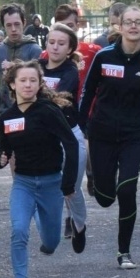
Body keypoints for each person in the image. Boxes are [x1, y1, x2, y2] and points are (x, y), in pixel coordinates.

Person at [77, 5, 140, 270]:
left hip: (132, 136)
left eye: (139, 22)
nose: (134, 26)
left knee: (127, 189)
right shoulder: (104, 57)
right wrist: (80, 126)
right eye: (129, 22)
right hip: (101, 133)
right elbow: (87, 93)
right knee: (105, 198)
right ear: (120, 26)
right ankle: (97, 182)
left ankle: (124, 251)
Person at [0, 61, 79, 278]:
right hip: (23, 183)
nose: (28, 85)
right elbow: (5, 148)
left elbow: (71, 145)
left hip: (51, 182)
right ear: (12, 84)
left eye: (33, 80)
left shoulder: (49, 111)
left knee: (51, 242)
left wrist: (69, 182)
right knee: (19, 231)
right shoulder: (7, 118)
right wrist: (0, 159)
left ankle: (45, 224)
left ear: (40, 83)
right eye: (23, 80)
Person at [41, 23, 88, 253]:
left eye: (61, 44)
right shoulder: (37, 67)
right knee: (48, 188)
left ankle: (79, 225)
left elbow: (59, 98)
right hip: (44, 138)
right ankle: (49, 234)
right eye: (51, 42)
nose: (55, 47)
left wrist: (36, 99)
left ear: (70, 49)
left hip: (70, 135)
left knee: (71, 189)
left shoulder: (69, 71)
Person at [0, 4, 42, 112]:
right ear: (4, 26)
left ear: (24, 23)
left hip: (32, 110)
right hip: (4, 110)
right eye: (8, 25)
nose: (13, 29)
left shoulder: (35, 50)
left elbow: (42, 81)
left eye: (17, 24)